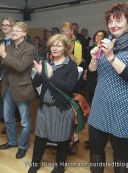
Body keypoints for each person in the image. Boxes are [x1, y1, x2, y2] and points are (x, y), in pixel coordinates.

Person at [88, 2, 128, 173]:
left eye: (118, 21)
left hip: (124, 107)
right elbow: (93, 73)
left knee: (121, 154)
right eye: (110, 21)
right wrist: (94, 59)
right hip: (100, 104)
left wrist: (110, 56)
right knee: (95, 149)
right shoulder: (108, 41)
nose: (113, 25)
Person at [28, 34, 78, 173]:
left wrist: (51, 77)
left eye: (59, 45)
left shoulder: (71, 66)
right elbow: (36, 85)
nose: (55, 48)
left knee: (62, 140)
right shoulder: (46, 63)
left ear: (65, 48)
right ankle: (35, 163)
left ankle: (59, 165)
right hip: (44, 108)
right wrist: (38, 74)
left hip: (61, 109)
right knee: (40, 137)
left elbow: (69, 87)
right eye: (53, 45)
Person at [0, 21, 37, 159]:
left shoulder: (30, 49)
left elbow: (21, 66)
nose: (13, 32)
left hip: (22, 88)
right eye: (13, 30)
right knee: (8, 119)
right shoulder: (7, 47)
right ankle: (12, 142)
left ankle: (23, 146)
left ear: (24, 33)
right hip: (7, 87)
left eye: (17, 30)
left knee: (24, 121)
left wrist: (4, 56)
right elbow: (0, 68)